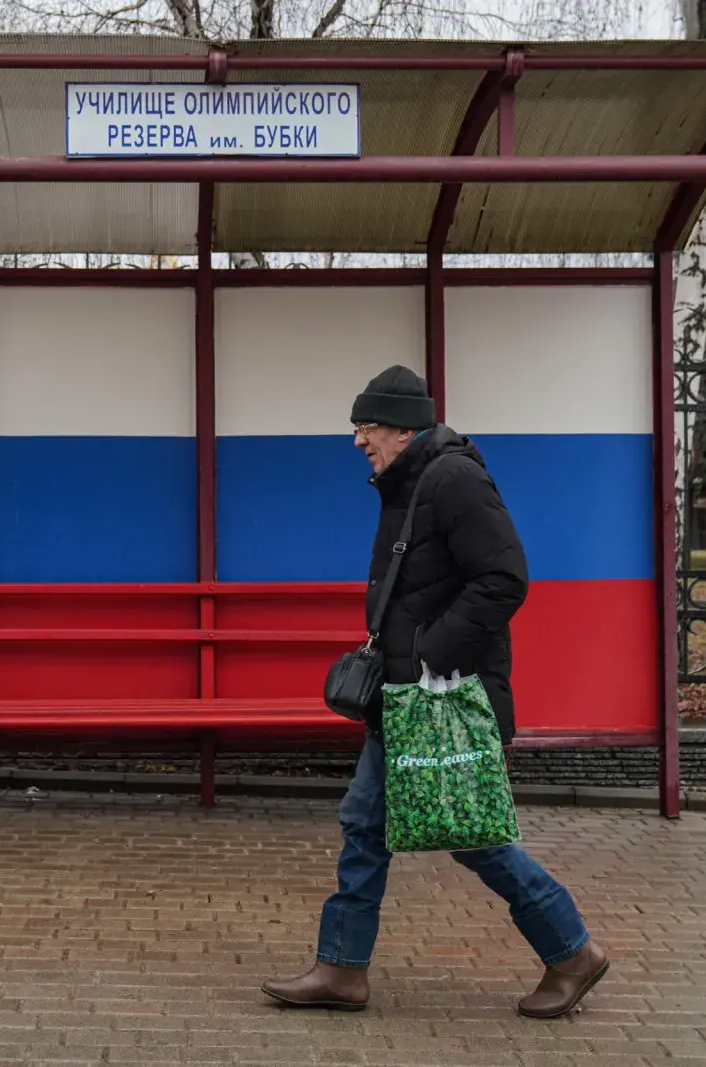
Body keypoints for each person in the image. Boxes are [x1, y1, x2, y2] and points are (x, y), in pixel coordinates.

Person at [260, 365, 608, 1018]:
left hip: (440, 695)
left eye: (365, 428)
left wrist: (427, 652)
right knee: (365, 823)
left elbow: (505, 577)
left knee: (472, 834)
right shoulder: (414, 483)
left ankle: (571, 950)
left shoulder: (452, 478)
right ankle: (341, 968)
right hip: (406, 696)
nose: (359, 441)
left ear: (399, 426)